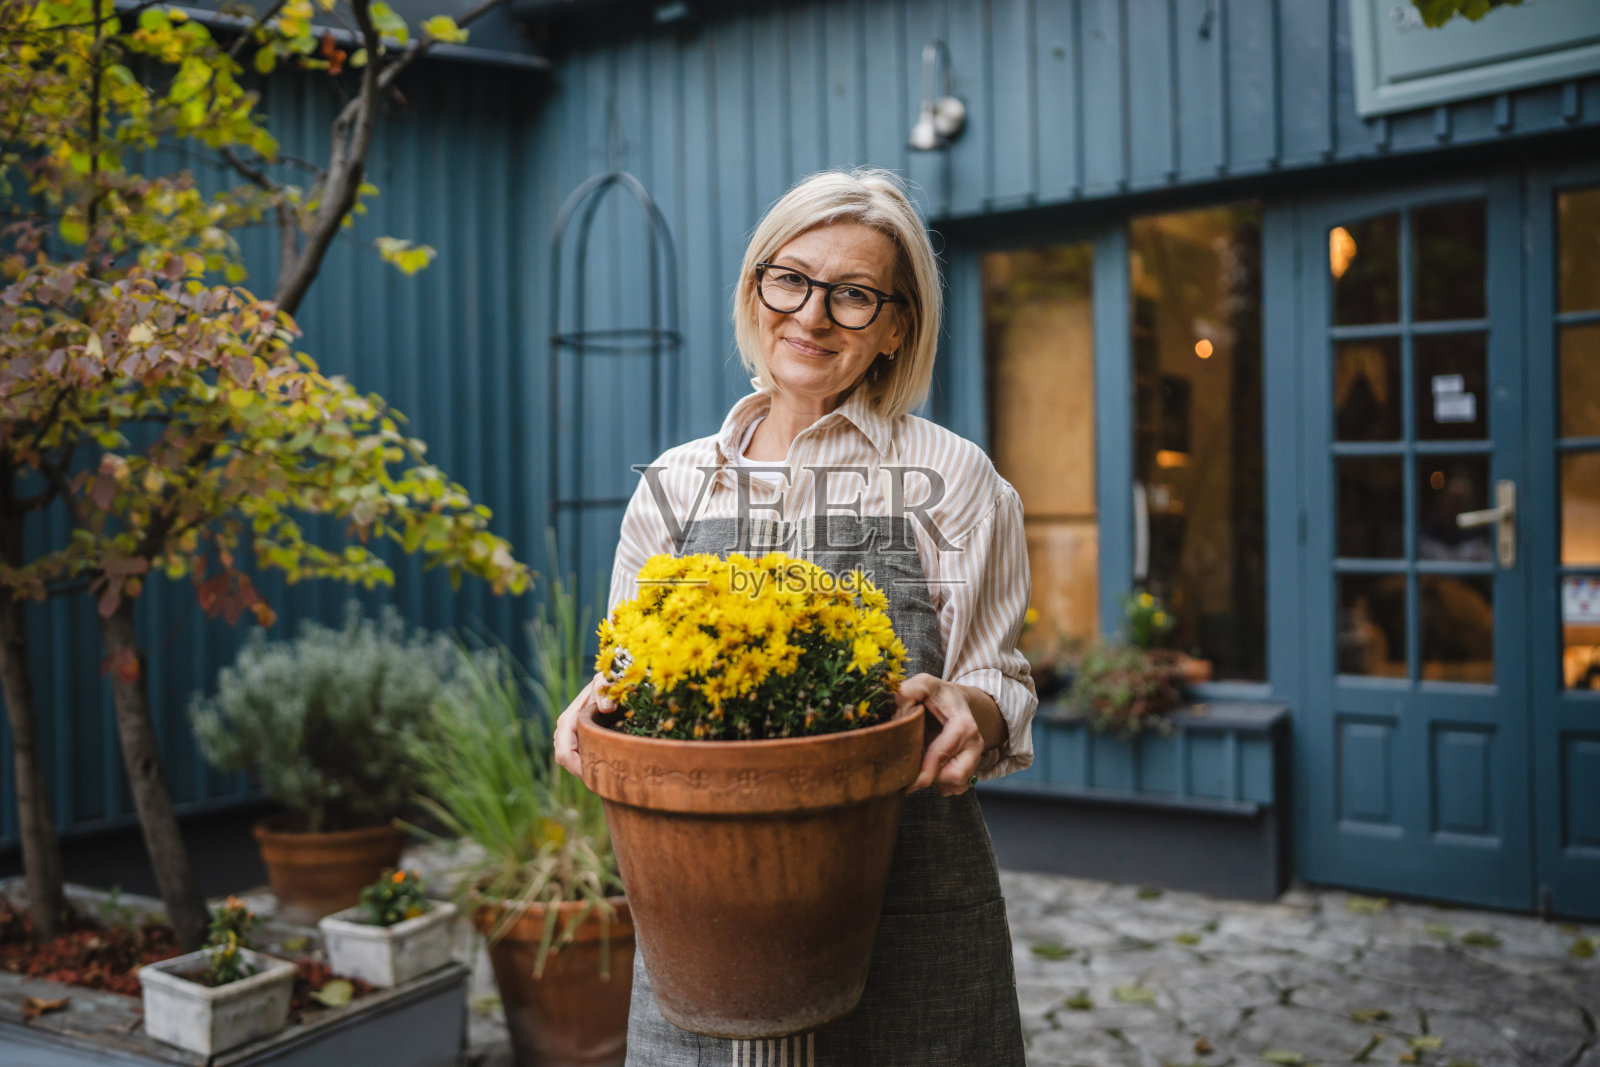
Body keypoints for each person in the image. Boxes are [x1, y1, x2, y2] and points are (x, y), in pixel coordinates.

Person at [554, 166, 1037, 1067]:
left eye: (853, 295)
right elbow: (627, 679)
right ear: (756, 289)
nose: (811, 316)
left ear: (896, 326)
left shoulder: (953, 477)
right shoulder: (675, 484)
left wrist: (969, 710)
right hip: (704, 928)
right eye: (791, 280)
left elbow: (996, 680)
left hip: (905, 908)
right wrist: (591, 708)